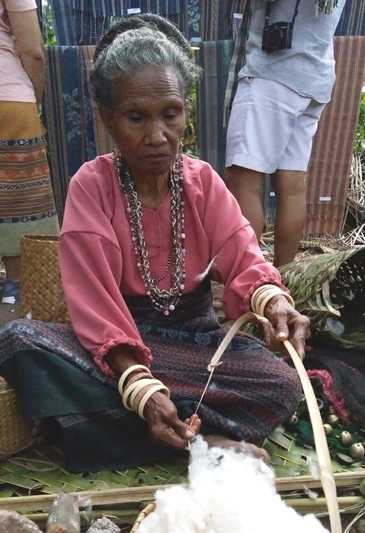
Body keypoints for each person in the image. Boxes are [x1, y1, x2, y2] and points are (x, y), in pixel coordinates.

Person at [0, 15, 310, 473]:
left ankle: (113, 431)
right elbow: (95, 303)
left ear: (185, 110)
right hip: (115, 347)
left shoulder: (202, 181)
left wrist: (273, 301)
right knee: (19, 341)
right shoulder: (92, 185)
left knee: (282, 384)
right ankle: (203, 443)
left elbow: (243, 255)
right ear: (108, 118)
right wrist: (142, 388)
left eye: (170, 113)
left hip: (196, 349)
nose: (157, 135)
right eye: (136, 118)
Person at [225, 0, 346, 267]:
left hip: (274, 74)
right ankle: (282, 276)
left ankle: (250, 282)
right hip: (314, 73)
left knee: (242, 180)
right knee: (292, 186)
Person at [0, 0, 59, 304]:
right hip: (7, 96)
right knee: (20, 199)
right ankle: (16, 284)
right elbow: (32, 49)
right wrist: (35, 97)